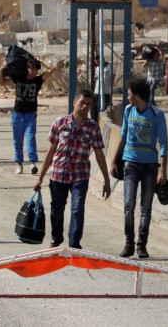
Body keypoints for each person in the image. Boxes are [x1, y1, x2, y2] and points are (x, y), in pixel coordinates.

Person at [33, 89, 111, 249]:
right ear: (74, 102)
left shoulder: (93, 127)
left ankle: (74, 245)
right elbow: (51, 151)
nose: (84, 107)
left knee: (77, 209)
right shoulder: (59, 123)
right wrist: (40, 177)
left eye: (88, 104)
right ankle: (56, 240)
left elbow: (99, 154)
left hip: (80, 176)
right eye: (82, 103)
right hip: (58, 174)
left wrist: (107, 180)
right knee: (57, 210)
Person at [111, 78, 168, 259]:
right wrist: (114, 159)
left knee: (146, 207)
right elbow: (123, 135)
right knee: (129, 205)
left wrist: (163, 171)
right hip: (131, 164)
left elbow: (164, 144)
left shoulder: (157, 114)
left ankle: (141, 245)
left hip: (150, 167)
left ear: (137, 96)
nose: (127, 97)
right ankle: (129, 244)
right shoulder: (128, 111)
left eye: (129, 94)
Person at [0, 58, 48, 175]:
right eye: (32, 69)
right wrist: (1, 71)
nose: (34, 71)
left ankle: (32, 163)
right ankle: (19, 163)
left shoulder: (38, 80)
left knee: (31, 138)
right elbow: (2, 83)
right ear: (27, 69)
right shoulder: (19, 78)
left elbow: (53, 69)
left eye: (36, 69)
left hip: (31, 114)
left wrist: (41, 61)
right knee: (18, 139)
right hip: (18, 113)